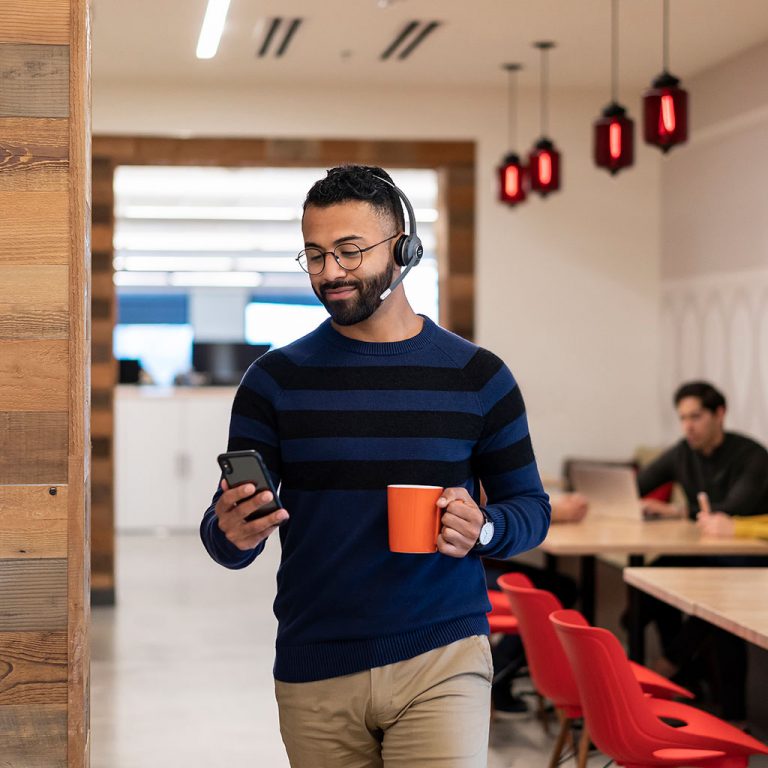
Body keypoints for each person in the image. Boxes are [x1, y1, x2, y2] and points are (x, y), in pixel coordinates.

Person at [200, 165, 551, 768]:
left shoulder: (478, 377)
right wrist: (228, 533)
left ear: (404, 249)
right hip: (317, 663)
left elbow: (531, 510)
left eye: (349, 251)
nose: (329, 272)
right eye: (314, 254)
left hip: (443, 655)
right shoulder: (275, 380)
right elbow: (228, 536)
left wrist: (484, 528)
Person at [633, 380, 768, 722]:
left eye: (696, 417)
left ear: (719, 414)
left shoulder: (752, 456)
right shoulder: (683, 452)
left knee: (717, 605)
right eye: (683, 418)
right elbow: (638, 484)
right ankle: (680, 676)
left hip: (748, 558)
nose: (688, 426)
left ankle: (672, 670)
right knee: (651, 582)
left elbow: (734, 509)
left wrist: (679, 511)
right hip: (710, 552)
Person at [484, 493, 587, 714]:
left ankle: (501, 672)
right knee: (554, 590)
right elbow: (484, 500)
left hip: (474, 561)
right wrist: (555, 512)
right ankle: (499, 674)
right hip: (470, 567)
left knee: (560, 586)